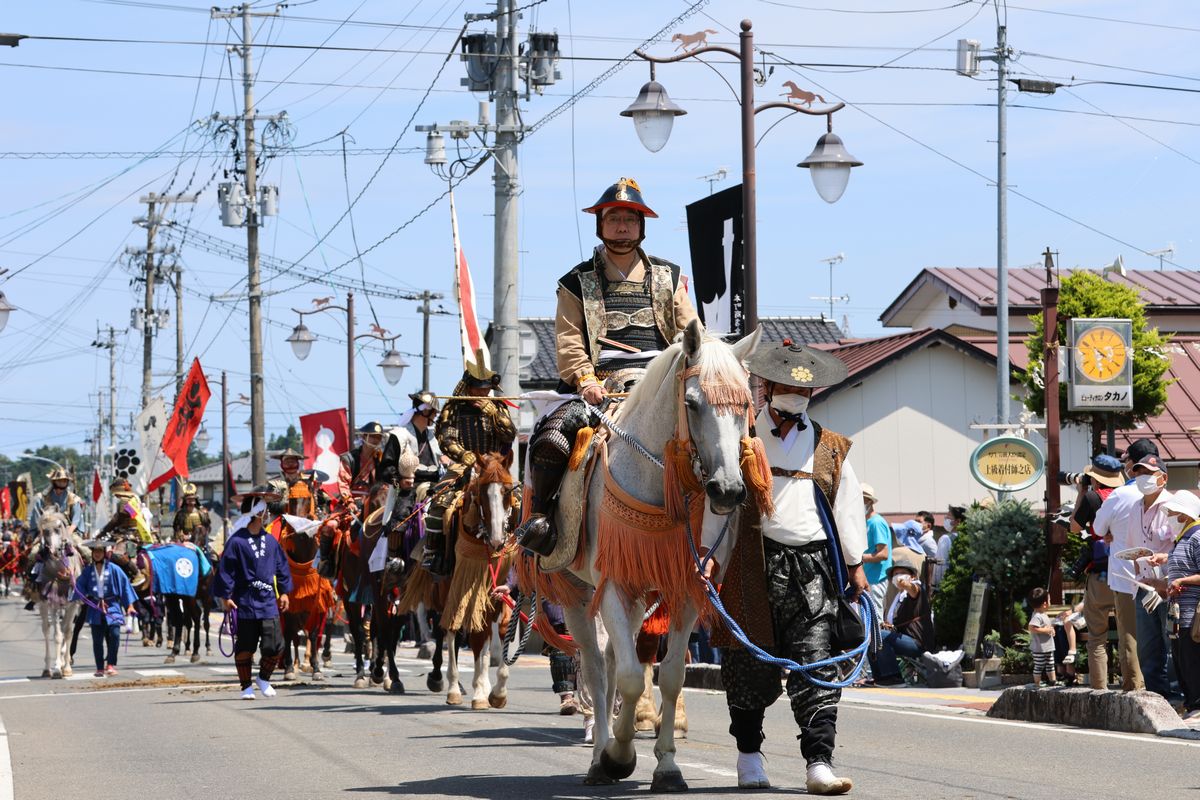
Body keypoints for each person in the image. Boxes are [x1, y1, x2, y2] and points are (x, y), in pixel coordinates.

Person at [712, 340, 867, 795]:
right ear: (765, 386)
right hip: (751, 565)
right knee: (747, 667)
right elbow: (715, 505)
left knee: (818, 665)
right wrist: (707, 557)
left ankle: (818, 762)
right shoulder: (739, 439)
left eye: (807, 387)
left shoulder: (833, 447)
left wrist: (855, 564)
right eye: (786, 384)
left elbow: (848, 508)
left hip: (815, 569)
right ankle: (747, 757)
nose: (797, 393)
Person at [516, 177, 698, 555]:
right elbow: (568, 340)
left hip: (661, 380)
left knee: (716, 431)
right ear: (600, 224)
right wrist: (584, 379)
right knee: (552, 436)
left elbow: (690, 331)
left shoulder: (670, 278)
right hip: (601, 384)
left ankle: (726, 519)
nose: (622, 227)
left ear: (641, 226)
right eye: (614, 218)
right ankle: (541, 520)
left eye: (630, 219)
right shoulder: (575, 282)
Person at [422, 367, 516, 576]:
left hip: (494, 465)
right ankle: (433, 552)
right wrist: (467, 456)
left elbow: (510, 434)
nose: (483, 394)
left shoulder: (498, 407)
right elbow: (446, 438)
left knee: (517, 499)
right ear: (469, 387)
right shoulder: (453, 408)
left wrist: (494, 415)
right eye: (478, 389)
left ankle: (522, 556)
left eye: (486, 390)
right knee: (439, 502)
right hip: (462, 464)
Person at [1097, 452, 1174, 698]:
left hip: (1169, 585)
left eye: (1148, 474)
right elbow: (1131, 545)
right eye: (1138, 473)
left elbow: (1182, 545)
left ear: (1162, 478)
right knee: (1148, 646)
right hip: (1143, 585)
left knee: (1171, 642)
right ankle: (1156, 696)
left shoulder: (1173, 506)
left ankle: (1177, 695)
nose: (1142, 478)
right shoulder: (1135, 507)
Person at [214, 485, 293, 700]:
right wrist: (226, 597)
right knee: (246, 646)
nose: (268, 515)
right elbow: (226, 570)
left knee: (276, 645)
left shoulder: (271, 541)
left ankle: (264, 678)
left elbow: (282, 567)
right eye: (265, 511)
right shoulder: (236, 542)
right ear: (258, 513)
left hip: (268, 601)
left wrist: (284, 592)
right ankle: (246, 686)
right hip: (245, 602)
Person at [1070, 452, 1126, 690]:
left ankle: (1100, 688)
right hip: (1126, 571)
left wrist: (1081, 493)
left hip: (1101, 574)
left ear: (1094, 477)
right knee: (1128, 634)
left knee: (1097, 636)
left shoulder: (1093, 498)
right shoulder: (1128, 495)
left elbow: (1074, 527)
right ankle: (1132, 684)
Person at [869, 548, 933, 686]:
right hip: (904, 640)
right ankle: (880, 677)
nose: (898, 576)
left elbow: (913, 590)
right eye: (895, 574)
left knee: (880, 636)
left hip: (918, 642)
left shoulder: (917, 590)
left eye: (903, 573)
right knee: (871, 635)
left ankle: (893, 677)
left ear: (913, 576)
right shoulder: (897, 598)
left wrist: (907, 585)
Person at [1161, 490, 1200, 719]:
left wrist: (1182, 580)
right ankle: (1190, 702)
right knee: (1181, 658)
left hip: (1193, 613)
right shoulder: (1180, 539)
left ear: (1185, 515)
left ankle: (1197, 703)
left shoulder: (1196, 537)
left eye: (1173, 513)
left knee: (1192, 658)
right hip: (1178, 614)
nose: (1170, 517)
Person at [75, 540, 137, 677]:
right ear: (92, 553)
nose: (97, 554)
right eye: (95, 552)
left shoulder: (115, 569)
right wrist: (69, 580)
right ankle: (99, 668)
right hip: (95, 607)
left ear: (104, 553)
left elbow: (125, 586)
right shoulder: (88, 571)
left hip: (112, 605)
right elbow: (78, 586)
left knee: (114, 634)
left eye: (99, 551)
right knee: (97, 640)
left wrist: (130, 606)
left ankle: (110, 664)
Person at [395, 390, 444, 491]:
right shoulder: (400, 436)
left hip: (435, 487)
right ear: (425, 411)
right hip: (410, 489)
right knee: (404, 506)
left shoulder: (434, 436)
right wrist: (400, 481)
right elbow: (387, 468)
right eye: (434, 412)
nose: (436, 415)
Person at [860, 483, 892, 622]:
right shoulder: (867, 522)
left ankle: (878, 644)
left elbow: (883, 554)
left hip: (876, 578)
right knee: (869, 616)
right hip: (870, 577)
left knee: (875, 618)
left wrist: (860, 558)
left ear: (868, 501)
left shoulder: (876, 523)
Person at [28, 468, 84, 534]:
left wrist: (68, 533)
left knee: (78, 543)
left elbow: (76, 520)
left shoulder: (73, 499)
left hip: (69, 531)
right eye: (59, 481)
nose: (62, 484)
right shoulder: (42, 498)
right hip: (45, 531)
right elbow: (35, 519)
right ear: (54, 482)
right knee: (35, 544)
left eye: (64, 481)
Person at [1028, 587, 1057, 687]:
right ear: (1045, 604)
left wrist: (1051, 629)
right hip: (1039, 648)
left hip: (1048, 647)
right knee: (1039, 666)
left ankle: (1053, 681)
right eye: (1049, 600)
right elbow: (1031, 628)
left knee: (1050, 664)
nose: (1050, 602)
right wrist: (1046, 630)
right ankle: (1037, 684)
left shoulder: (1043, 614)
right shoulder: (1037, 616)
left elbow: (1046, 626)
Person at [932, 505, 965, 591]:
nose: (946, 518)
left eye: (949, 516)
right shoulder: (968, 538)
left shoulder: (946, 539)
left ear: (958, 521)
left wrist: (935, 586)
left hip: (948, 586)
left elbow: (941, 565)